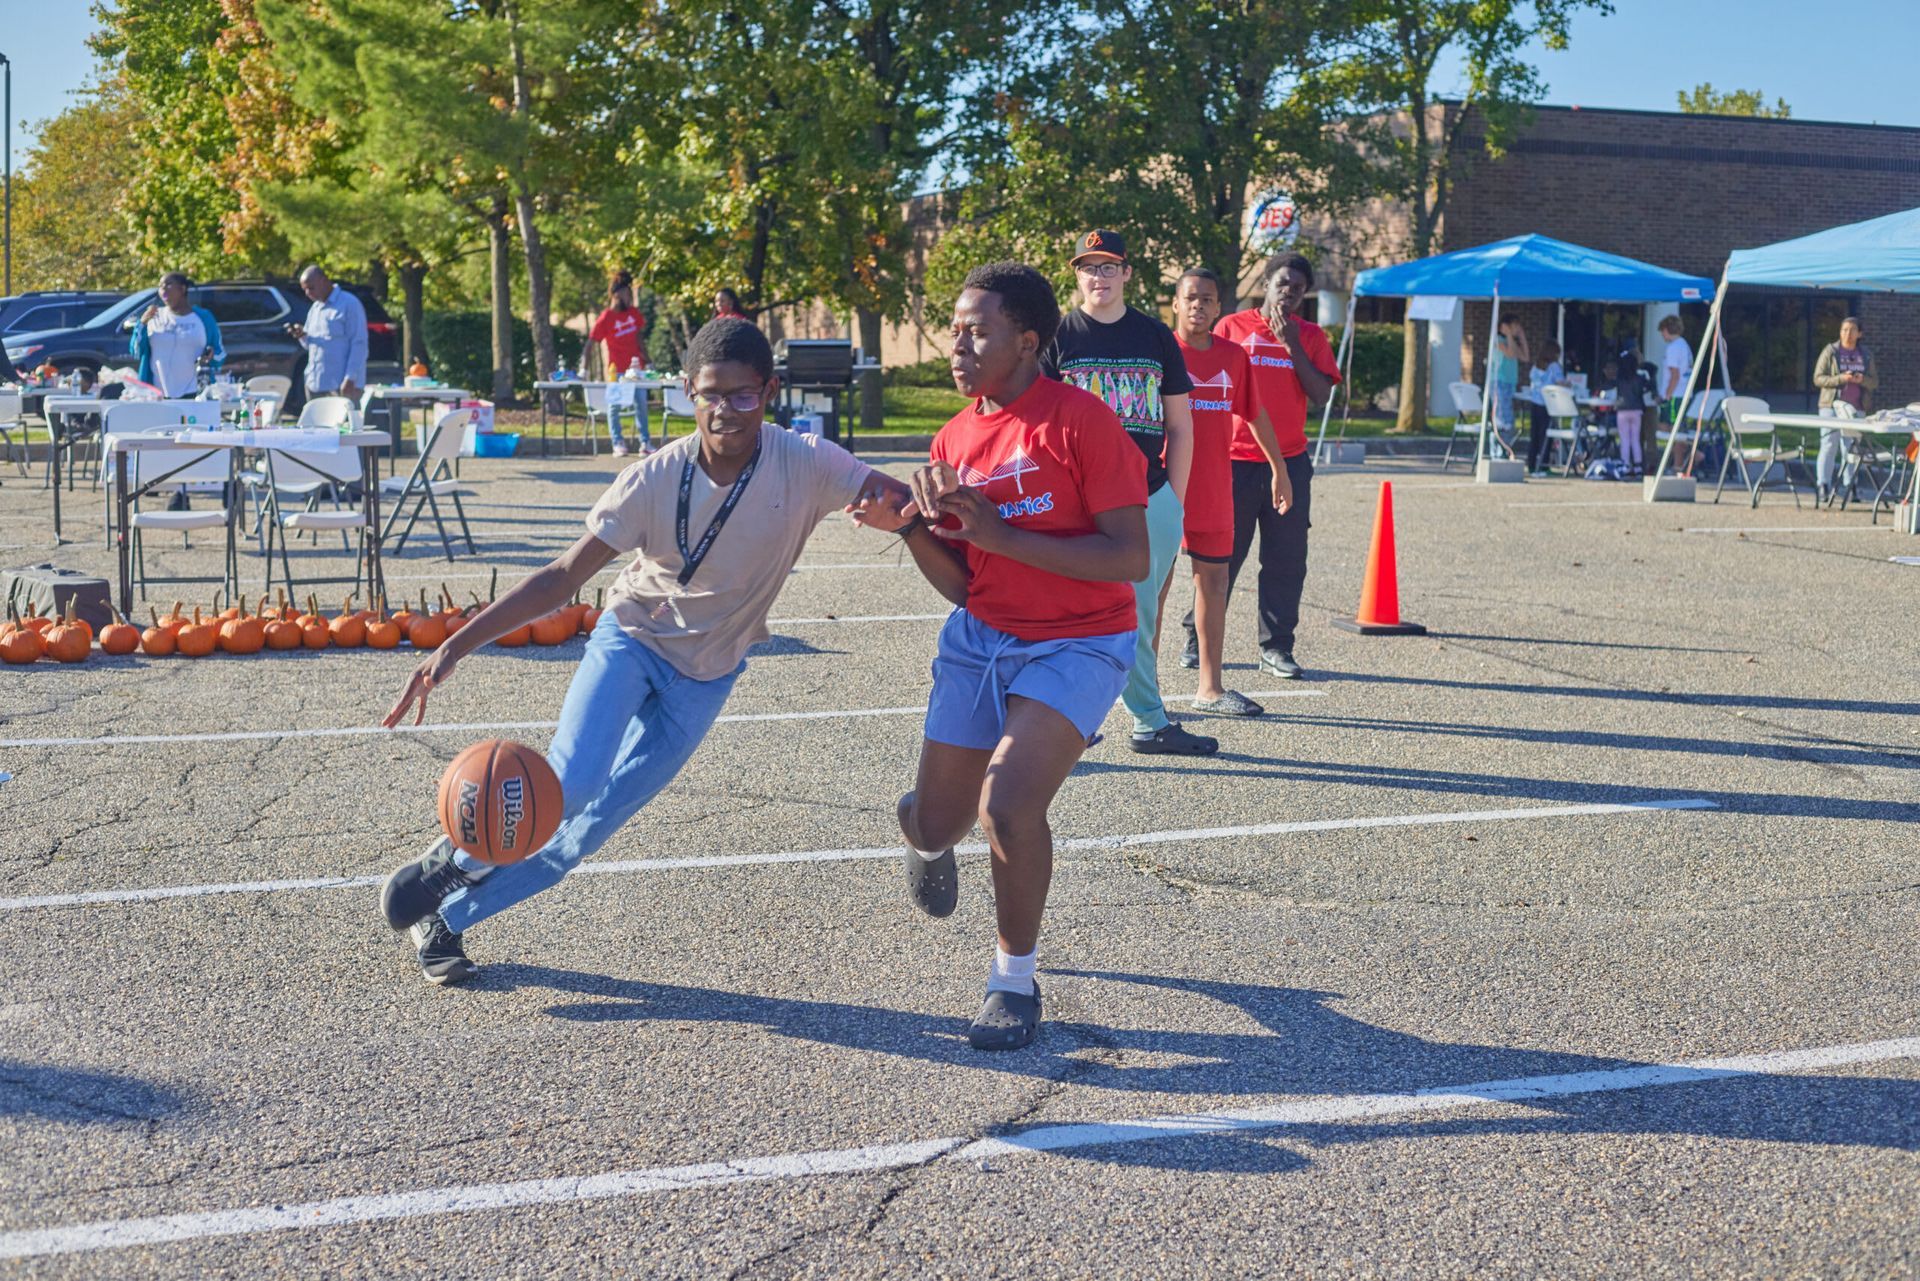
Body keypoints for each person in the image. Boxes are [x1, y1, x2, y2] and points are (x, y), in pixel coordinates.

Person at [376, 318, 911, 985]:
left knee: (581, 836)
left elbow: (893, 497)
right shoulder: (654, 478)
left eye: (742, 395)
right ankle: (452, 855)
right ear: (688, 392)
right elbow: (563, 576)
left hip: (709, 676)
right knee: (566, 790)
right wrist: (456, 644)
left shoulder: (805, 461)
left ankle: (449, 916)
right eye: (711, 394)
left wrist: (904, 508)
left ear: (769, 391)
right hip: (631, 640)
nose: (726, 410)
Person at [847, 261, 1149, 1050]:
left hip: (1081, 638)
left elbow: (1129, 558)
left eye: (977, 330)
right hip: (984, 638)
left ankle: (1013, 980)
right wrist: (911, 527)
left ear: (1028, 340)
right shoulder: (954, 435)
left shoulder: (1082, 422)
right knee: (938, 816)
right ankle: (922, 837)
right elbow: (965, 585)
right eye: (955, 328)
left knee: (1008, 805)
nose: (959, 344)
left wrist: (1004, 534)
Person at [1040, 229, 1209, 756]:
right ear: (1077, 275)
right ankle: (1073, 723)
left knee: (1139, 613)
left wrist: (1174, 502)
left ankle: (1147, 722)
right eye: (1089, 267)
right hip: (1076, 498)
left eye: (1109, 266)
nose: (1099, 277)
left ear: (1127, 274)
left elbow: (1181, 426)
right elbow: (1037, 425)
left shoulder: (1155, 336)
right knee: (1066, 612)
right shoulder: (1058, 337)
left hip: (1147, 496)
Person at [1181, 253, 1329, 682]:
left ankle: (1276, 647)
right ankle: (1197, 637)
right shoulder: (1231, 327)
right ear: (1265, 283)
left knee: (1286, 559)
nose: (1290, 293)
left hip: (1290, 462)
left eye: (1299, 289)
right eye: (1283, 283)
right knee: (1221, 557)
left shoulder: (1311, 336)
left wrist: (1292, 345)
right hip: (1234, 461)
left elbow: (1320, 393)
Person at [1169, 267, 1275, 716]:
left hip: (1214, 485)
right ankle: (1145, 693)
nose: (1199, 305)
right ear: (1175, 304)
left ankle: (1209, 689)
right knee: (1152, 588)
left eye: (1208, 299)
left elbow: (1255, 413)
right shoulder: (1160, 353)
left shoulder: (1233, 356)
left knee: (1213, 581)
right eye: (1191, 297)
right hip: (1163, 486)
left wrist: (1280, 469)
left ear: (1218, 307)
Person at [1813, 316, 1879, 504]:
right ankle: (1823, 485)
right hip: (1831, 406)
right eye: (1844, 330)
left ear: (1860, 334)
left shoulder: (1865, 355)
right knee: (1828, 445)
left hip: (1857, 408)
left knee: (1851, 449)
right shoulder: (1831, 351)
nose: (1847, 334)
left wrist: (1861, 380)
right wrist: (1840, 378)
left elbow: (1874, 382)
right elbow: (1818, 378)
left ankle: (1851, 486)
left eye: (1851, 330)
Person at [130, 272, 225, 398]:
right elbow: (136, 352)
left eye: (168, 284)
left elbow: (220, 354)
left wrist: (211, 357)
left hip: (195, 393)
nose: (163, 288)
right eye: (160, 285)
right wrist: (141, 324)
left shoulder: (203, 318)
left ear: (182, 289)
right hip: (157, 395)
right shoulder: (154, 317)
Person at [589, 270, 651, 457]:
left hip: (636, 369)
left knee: (641, 405)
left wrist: (649, 361)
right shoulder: (606, 317)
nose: (629, 297)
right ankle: (618, 442)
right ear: (616, 294)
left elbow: (640, 340)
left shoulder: (634, 313)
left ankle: (645, 442)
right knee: (615, 406)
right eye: (626, 293)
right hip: (616, 370)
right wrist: (583, 367)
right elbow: (590, 343)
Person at [290, 264, 368, 403]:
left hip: (342, 385)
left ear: (324, 280)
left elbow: (359, 344)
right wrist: (302, 336)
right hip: (315, 384)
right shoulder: (315, 308)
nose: (308, 293)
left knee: (345, 424)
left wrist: (351, 378)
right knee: (314, 424)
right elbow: (310, 345)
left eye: (311, 288)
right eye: (305, 289)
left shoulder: (349, 304)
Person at [1524, 339, 1566, 477]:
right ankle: (1544, 464)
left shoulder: (1536, 366)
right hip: (1547, 404)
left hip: (1535, 402)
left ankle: (1531, 464)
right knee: (1545, 436)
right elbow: (1560, 382)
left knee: (1534, 435)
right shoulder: (1554, 367)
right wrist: (1569, 385)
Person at [1489, 316, 1528, 457]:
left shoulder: (1510, 342)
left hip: (1509, 383)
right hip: (1499, 383)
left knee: (1507, 418)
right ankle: (1499, 453)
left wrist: (1522, 337)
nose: (1517, 329)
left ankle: (1503, 451)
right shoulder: (1498, 341)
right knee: (1503, 420)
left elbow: (1525, 357)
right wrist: (1509, 335)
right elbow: (1510, 354)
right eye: (1515, 326)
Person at [1612, 347, 1654, 477]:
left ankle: (1625, 464)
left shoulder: (1619, 379)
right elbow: (1647, 388)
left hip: (1622, 410)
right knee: (1635, 439)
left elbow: (1614, 391)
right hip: (1636, 410)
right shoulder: (1640, 378)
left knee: (1624, 439)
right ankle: (1638, 465)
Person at [1657, 315, 1693, 429]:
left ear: (1666, 330)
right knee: (1676, 427)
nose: (1662, 335)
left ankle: (1675, 447)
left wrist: (1667, 396)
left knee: (1673, 429)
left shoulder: (1673, 348)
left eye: (1662, 331)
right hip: (1684, 393)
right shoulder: (1684, 345)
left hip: (1674, 395)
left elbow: (1675, 375)